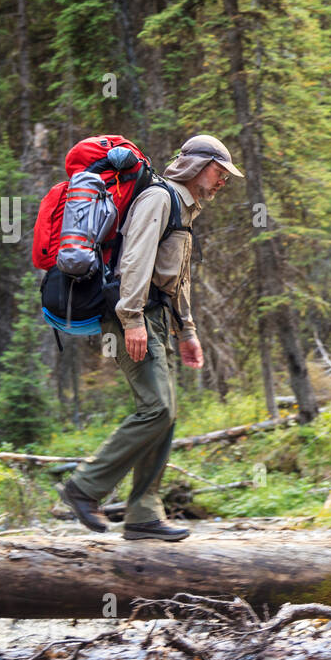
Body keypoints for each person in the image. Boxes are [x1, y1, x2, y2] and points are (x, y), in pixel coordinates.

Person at [58, 135, 243, 540]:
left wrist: (188, 330)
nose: (223, 181)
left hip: (157, 317)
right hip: (133, 315)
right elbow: (135, 259)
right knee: (156, 408)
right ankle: (84, 489)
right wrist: (132, 318)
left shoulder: (184, 208)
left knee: (166, 413)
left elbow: (179, 277)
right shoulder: (160, 198)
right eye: (219, 171)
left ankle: (143, 513)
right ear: (197, 166)